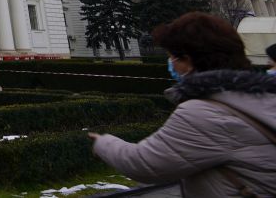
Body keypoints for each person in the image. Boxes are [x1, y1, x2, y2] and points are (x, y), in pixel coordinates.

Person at [91, 12, 276, 196]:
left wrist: (103, 143)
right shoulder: (265, 96)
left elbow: (145, 163)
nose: (171, 63)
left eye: (173, 57)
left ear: (187, 60)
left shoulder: (203, 113)